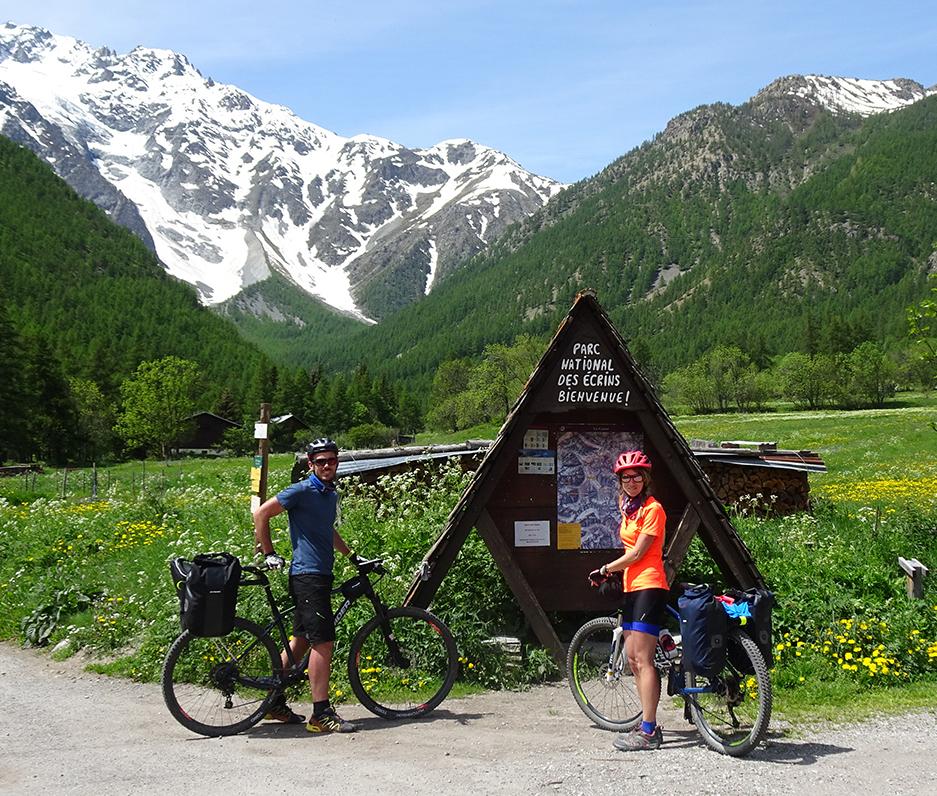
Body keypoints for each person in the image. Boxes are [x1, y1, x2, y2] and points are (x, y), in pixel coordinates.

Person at [252, 437, 358, 733]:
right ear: (310, 464)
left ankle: (273, 702)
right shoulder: (302, 490)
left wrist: (352, 556)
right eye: (321, 461)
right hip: (308, 576)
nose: (327, 466)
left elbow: (327, 530)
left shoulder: (328, 494)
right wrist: (269, 553)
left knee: (299, 642)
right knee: (322, 642)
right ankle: (320, 715)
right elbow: (261, 513)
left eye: (332, 461)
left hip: (319, 574)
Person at [590, 449, 668, 751]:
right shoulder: (629, 509)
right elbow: (630, 554)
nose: (631, 481)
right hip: (632, 586)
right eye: (626, 477)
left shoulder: (653, 509)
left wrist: (606, 568)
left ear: (645, 478)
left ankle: (649, 732)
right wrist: (614, 574)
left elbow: (637, 554)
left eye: (636, 476)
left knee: (641, 659)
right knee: (634, 661)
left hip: (649, 584)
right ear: (620, 481)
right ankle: (646, 723)